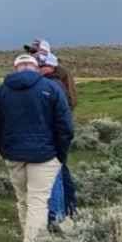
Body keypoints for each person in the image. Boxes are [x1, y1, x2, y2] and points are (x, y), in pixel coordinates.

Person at [0, 54, 74, 242]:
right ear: (36, 68)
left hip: (14, 155)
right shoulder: (51, 88)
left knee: (23, 199)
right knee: (38, 201)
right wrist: (60, 155)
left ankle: (29, 239)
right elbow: (65, 126)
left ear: (15, 67)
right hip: (45, 155)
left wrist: (4, 150)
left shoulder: (1, 90)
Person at [39, 52, 79, 222]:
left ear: (51, 68)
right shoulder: (58, 83)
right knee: (59, 172)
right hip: (56, 135)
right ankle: (66, 209)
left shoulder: (51, 86)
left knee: (54, 175)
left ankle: (56, 215)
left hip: (51, 136)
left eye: (42, 66)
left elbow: (59, 116)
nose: (39, 69)